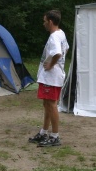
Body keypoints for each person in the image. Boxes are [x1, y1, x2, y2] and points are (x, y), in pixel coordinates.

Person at [29, 9, 69, 147]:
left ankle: (55, 136)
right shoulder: (61, 33)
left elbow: (58, 53)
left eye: (45, 21)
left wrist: (51, 64)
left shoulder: (54, 37)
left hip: (52, 77)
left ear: (50, 22)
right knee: (47, 105)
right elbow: (66, 49)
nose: (44, 23)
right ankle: (43, 132)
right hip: (51, 77)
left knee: (51, 105)